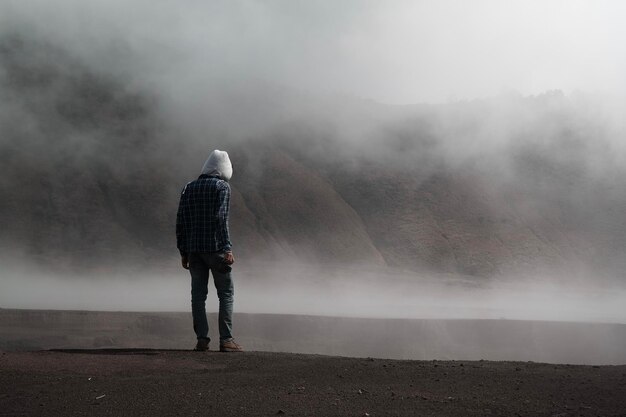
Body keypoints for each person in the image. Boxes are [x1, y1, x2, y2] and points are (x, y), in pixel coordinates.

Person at [176, 149, 243, 352]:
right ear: (223, 169)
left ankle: (202, 339)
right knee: (226, 293)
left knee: (198, 295)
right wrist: (227, 247)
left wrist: (183, 251)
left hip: (194, 250)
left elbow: (182, 221)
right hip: (215, 249)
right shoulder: (222, 187)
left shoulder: (189, 187)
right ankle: (226, 340)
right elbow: (221, 218)